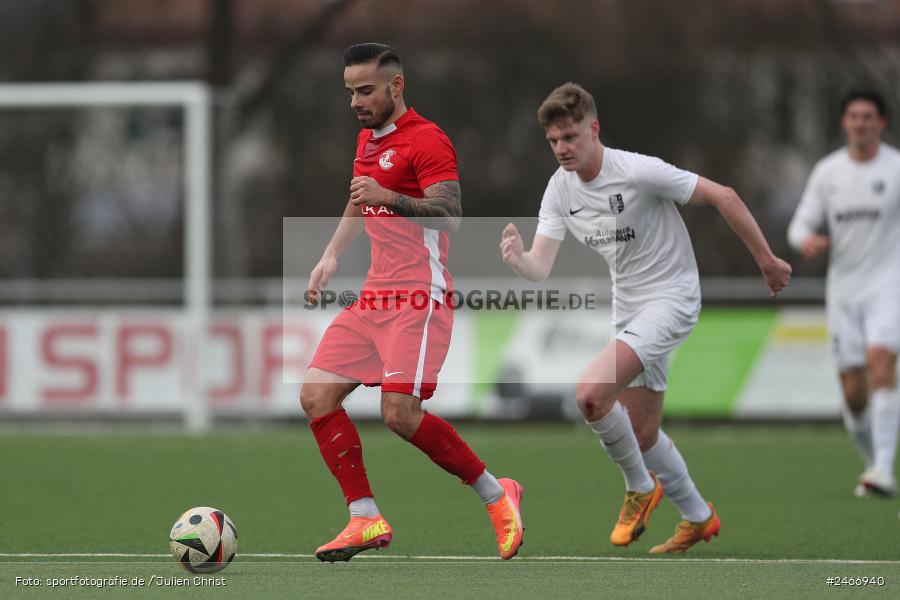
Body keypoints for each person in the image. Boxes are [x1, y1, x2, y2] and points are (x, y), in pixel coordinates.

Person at [500, 82, 791, 553]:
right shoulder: (559, 189)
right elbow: (541, 266)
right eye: (553, 141)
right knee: (642, 432)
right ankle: (699, 517)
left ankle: (639, 486)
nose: (561, 149)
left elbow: (726, 196)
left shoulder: (638, 171)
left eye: (570, 137)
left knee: (591, 396)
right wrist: (519, 260)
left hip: (673, 299)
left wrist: (767, 261)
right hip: (630, 307)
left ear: (594, 130)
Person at [301, 43, 523, 563]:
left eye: (366, 90)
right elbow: (359, 199)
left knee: (399, 413)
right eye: (351, 91)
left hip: (419, 296)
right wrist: (330, 255)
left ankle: (498, 494)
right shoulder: (366, 138)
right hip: (375, 296)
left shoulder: (428, 139)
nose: (356, 101)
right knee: (316, 397)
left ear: (396, 87)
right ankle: (363, 517)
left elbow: (450, 213)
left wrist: (390, 196)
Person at [788, 89, 900, 497]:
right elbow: (798, 226)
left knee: (881, 363)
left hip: (888, 285)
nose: (861, 123)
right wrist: (806, 242)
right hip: (844, 291)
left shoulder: (896, 169)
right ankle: (874, 465)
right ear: (844, 123)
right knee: (853, 393)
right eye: (854, 116)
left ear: (881, 123)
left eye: (868, 116)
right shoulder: (827, 172)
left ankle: (885, 467)